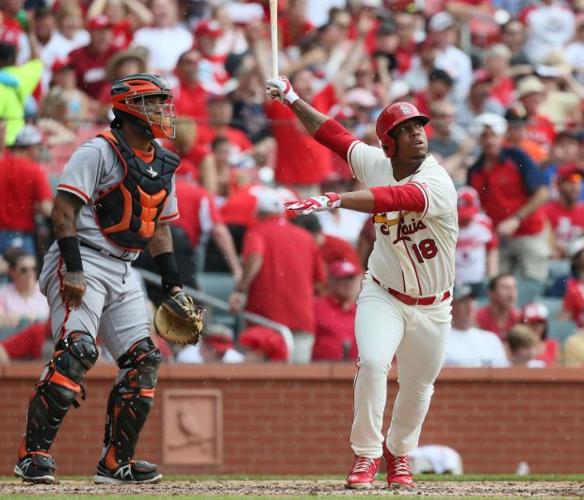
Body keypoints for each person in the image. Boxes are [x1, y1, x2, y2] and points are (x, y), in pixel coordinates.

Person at [266, 77, 457, 489]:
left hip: (434, 304)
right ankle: (367, 456)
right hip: (383, 292)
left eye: (418, 126)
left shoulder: (438, 180)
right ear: (389, 143)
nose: (416, 134)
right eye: (405, 130)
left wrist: (335, 200)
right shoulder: (376, 163)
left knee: (418, 386)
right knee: (372, 364)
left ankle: (400, 453)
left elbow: (397, 199)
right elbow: (333, 134)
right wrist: (292, 98)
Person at [13, 73, 188, 485]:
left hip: (125, 266)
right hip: (84, 257)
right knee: (76, 352)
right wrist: (72, 268)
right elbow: (62, 212)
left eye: (164, 102)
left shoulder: (163, 161)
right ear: (128, 109)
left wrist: (173, 286)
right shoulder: (97, 150)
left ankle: (115, 463)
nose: (163, 110)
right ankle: (32, 454)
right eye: (153, 103)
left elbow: (159, 226)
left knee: (145, 359)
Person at [228, 186, 325, 363]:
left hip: (266, 320)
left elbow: (255, 258)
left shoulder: (257, 232)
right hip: (302, 318)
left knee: (262, 382)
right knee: (299, 382)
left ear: (259, 212)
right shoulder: (305, 237)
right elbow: (320, 282)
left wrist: (241, 289)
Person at [443, 284, 509, 367]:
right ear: (451, 307)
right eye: (463, 302)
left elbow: (503, 373)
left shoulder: (490, 339)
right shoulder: (441, 340)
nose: (469, 308)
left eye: (472, 302)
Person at [312, 260, 360, 361]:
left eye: (351, 279)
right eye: (342, 279)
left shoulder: (361, 312)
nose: (348, 284)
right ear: (331, 281)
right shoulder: (316, 306)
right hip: (320, 370)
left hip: (354, 371)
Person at [475, 273, 521, 340]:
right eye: (505, 288)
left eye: (514, 288)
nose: (511, 294)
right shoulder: (478, 318)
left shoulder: (518, 317)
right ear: (491, 293)